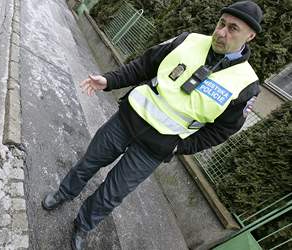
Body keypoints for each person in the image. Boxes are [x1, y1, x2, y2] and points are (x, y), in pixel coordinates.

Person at [42, 1, 263, 249]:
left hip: (156, 148)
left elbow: (222, 131)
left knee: (112, 193)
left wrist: (178, 147)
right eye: (221, 23)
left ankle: (83, 225)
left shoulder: (246, 84)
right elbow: (145, 64)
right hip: (127, 120)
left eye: (233, 29)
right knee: (90, 161)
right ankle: (64, 193)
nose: (221, 32)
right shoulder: (187, 40)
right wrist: (109, 80)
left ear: (250, 36)